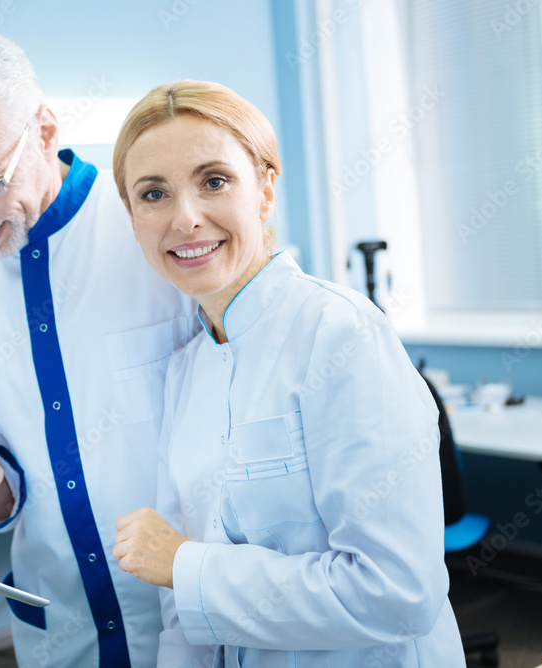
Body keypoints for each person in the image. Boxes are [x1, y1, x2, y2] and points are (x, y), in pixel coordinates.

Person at [110, 80, 465, 667]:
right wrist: (181, 574)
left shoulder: (340, 335)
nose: (186, 218)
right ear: (132, 216)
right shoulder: (185, 370)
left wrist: (186, 566)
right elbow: (181, 609)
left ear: (266, 188)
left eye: (214, 181)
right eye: (153, 194)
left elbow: (398, 591)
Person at [0, 33, 196, 667]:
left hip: (183, 616)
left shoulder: (156, 233)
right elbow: (2, 464)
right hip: (60, 627)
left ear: (45, 130)